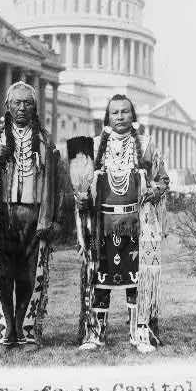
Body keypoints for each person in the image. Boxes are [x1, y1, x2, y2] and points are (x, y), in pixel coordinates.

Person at [0, 81, 67, 355]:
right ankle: (4, 332)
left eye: (28, 103)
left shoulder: (45, 141)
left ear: (35, 107)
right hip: (2, 216)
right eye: (17, 102)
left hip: (35, 216)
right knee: (2, 276)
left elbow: (57, 185)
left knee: (29, 277)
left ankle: (25, 332)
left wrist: (54, 219)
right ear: (7, 106)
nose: (22, 108)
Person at [76, 94, 169, 354]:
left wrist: (155, 191)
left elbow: (162, 179)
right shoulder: (94, 147)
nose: (119, 117)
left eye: (125, 112)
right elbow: (81, 186)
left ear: (133, 115)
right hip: (102, 223)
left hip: (137, 223)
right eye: (114, 112)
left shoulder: (146, 145)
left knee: (136, 279)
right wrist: (81, 198)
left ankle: (139, 333)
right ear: (107, 116)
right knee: (99, 279)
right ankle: (95, 334)